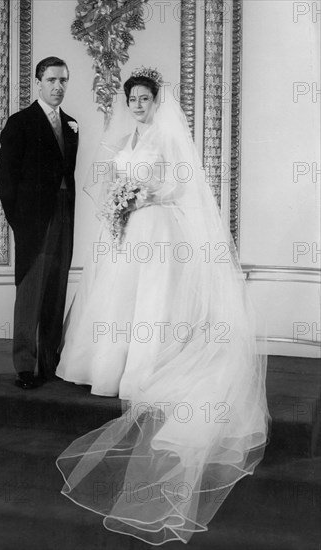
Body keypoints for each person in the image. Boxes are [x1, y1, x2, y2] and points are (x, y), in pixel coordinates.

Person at [56, 68, 269, 544]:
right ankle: (108, 368)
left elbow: (182, 187)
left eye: (144, 98)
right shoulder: (129, 135)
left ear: (156, 100)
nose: (137, 105)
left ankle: (143, 371)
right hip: (128, 230)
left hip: (155, 229)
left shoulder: (169, 138)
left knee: (150, 303)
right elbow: (114, 179)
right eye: (132, 98)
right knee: (117, 300)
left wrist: (144, 195)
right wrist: (118, 201)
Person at [0, 56, 79, 389]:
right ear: (38, 83)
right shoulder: (21, 122)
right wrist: (20, 221)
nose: (58, 87)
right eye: (52, 81)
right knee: (30, 292)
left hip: (63, 214)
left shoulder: (72, 124)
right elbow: (5, 178)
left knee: (56, 289)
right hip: (33, 221)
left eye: (63, 81)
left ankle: (50, 362)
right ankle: (26, 367)